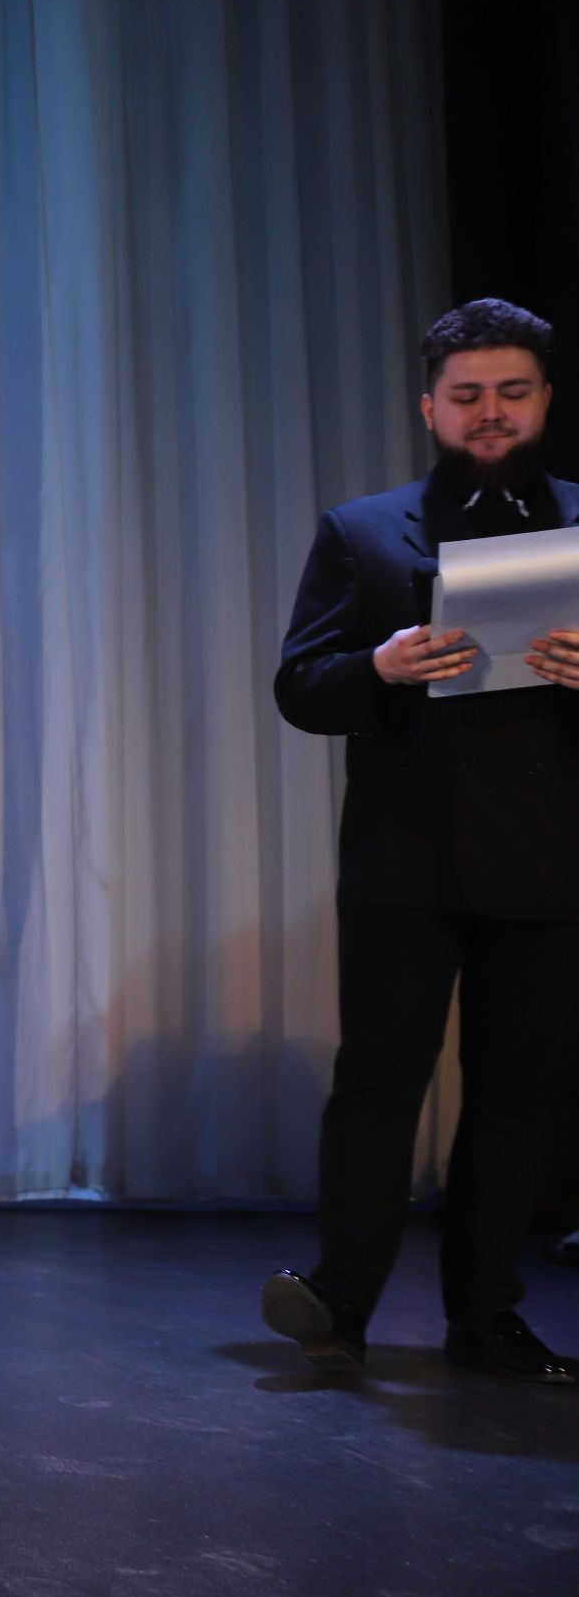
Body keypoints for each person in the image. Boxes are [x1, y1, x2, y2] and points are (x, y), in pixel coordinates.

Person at [264, 298, 578, 1385]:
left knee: (517, 1094)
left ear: (544, 398)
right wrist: (380, 666)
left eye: (511, 391)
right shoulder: (363, 529)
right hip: (404, 858)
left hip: (549, 857)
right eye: (467, 395)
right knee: (379, 1080)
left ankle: (487, 1316)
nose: (490, 412)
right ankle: (341, 1299)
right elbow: (300, 686)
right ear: (429, 407)